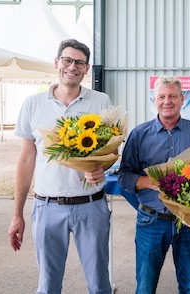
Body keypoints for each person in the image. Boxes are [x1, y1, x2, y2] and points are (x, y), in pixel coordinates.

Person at [8, 39, 113, 294]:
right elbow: (26, 160)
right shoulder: (33, 104)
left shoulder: (101, 101)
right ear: (57, 63)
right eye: (67, 60)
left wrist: (102, 167)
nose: (72, 67)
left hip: (91, 206)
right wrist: (17, 213)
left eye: (79, 62)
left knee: (99, 285)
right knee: (48, 286)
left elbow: (113, 149)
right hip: (47, 207)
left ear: (86, 69)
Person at [118, 76, 190, 294]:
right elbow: (124, 175)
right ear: (154, 100)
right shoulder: (139, 134)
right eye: (161, 96)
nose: (167, 101)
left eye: (172, 96)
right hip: (152, 219)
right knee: (145, 286)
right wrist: (149, 182)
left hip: (188, 221)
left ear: (182, 99)